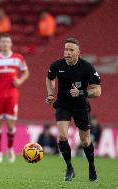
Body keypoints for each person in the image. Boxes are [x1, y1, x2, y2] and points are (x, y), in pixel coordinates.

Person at [45, 37, 101, 181]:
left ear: (78, 52)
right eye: (66, 49)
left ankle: (92, 167)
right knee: (62, 136)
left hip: (80, 106)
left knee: (85, 141)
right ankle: (69, 169)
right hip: (63, 104)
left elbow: (97, 91)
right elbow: (49, 77)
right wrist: (51, 94)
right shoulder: (57, 65)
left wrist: (82, 92)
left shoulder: (87, 68)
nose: (67, 52)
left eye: (71, 50)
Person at [0, 34, 29, 163]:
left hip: (12, 95)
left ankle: (10, 149)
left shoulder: (17, 58)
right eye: (3, 41)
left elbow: (26, 71)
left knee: (10, 124)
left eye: (7, 41)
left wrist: (20, 80)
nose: (5, 44)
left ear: (11, 44)